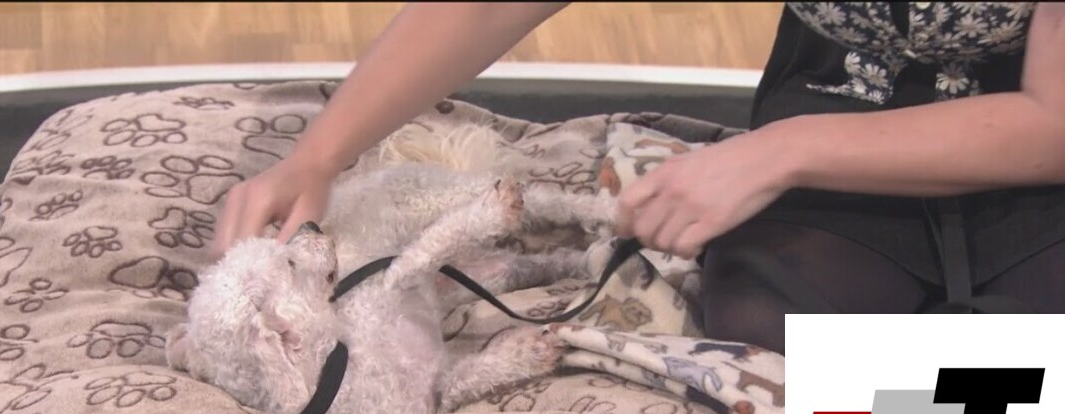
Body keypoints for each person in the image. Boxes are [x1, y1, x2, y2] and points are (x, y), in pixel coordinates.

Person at [214, 2, 1065, 355]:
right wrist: (319, 154)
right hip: (833, 99)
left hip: (1035, 145)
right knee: (779, 332)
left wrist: (779, 153)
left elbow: (1052, 121)